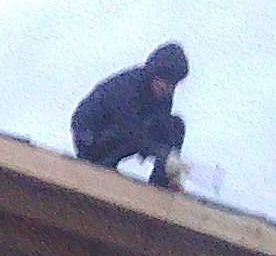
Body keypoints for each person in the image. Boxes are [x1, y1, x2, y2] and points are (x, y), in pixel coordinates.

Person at [71, 42, 191, 184]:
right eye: (165, 82)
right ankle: (101, 167)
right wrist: (162, 153)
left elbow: (162, 129)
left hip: (126, 134)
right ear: (153, 75)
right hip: (92, 137)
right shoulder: (126, 88)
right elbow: (130, 131)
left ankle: (162, 184)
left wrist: (171, 159)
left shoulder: (164, 97)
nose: (169, 89)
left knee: (175, 126)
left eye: (173, 84)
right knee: (134, 138)